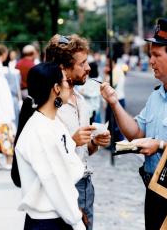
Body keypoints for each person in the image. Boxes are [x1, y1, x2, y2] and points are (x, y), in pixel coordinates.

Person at [100, 18, 167, 230]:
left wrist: (161, 146)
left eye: (156, 55)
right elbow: (136, 134)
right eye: (150, 55)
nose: (151, 61)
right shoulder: (157, 95)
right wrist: (114, 103)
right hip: (153, 192)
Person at [45, 34, 111, 230]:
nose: (88, 68)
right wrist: (73, 141)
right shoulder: (49, 105)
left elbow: (84, 151)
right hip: (64, 187)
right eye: (82, 64)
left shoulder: (81, 101)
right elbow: (44, 155)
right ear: (63, 69)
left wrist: (94, 142)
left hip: (85, 184)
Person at [14, 62, 86, 230]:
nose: (70, 85)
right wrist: (76, 221)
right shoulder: (40, 130)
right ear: (56, 88)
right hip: (48, 220)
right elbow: (56, 180)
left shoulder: (51, 122)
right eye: (66, 81)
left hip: (57, 215)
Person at [0, 59, 15, 170]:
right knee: (5, 139)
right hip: (1, 116)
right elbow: (6, 100)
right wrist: (10, 116)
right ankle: (8, 162)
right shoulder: (1, 80)